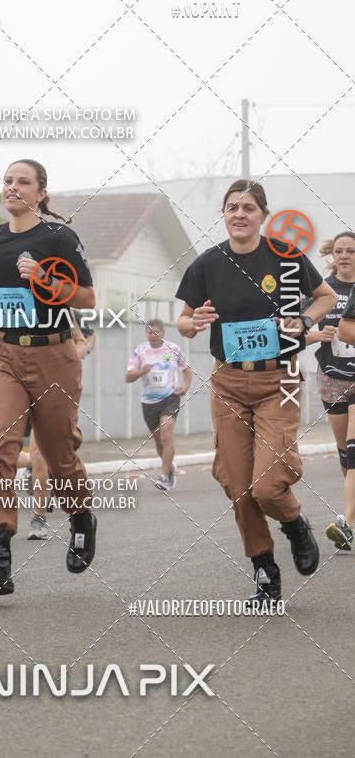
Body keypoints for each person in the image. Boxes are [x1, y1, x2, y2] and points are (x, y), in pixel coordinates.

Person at [175, 179, 337, 609]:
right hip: (228, 382)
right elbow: (183, 321)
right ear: (224, 215)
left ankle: (294, 522)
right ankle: (264, 569)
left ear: (263, 215)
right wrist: (195, 322)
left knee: (267, 486)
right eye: (232, 207)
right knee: (237, 484)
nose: (240, 214)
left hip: (278, 379)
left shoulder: (285, 256)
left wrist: (303, 321)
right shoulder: (207, 264)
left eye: (248, 207)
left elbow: (325, 297)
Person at [0, 159, 97, 596]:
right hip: (5, 353)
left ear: (41, 193)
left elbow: (87, 298)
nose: (13, 187)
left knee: (59, 455)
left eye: (23, 182)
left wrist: (43, 278)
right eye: (7, 181)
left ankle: (81, 517)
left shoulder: (58, 238)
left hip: (53, 353)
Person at [19, 310, 96, 540]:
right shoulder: (13, 303)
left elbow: (87, 339)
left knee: (40, 454)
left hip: (54, 389)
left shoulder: (64, 306)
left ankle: (39, 517)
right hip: (18, 383)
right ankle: (39, 471)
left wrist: (71, 356)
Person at [304, 232, 355, 549]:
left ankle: (348, 521)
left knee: (353, 447)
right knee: (344, 453)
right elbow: (295, 331)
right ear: (332, 255)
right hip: (332, 378)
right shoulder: (323, 291)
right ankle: (351, 513)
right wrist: (317, 335)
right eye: (339, 251)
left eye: (351, 251)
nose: (345, 256)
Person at [125, 319, 191, 491]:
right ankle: (169, 468)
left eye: (156, 332)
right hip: (149, 402)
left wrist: (185, 386)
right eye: (150, 333)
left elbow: (186, 369)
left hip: (170, 397)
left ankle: (164, 477)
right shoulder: (140, 351)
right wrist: (142, 370)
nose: (153, 336)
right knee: (159, 440)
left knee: (166, 435)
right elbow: (128, 377)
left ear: (163, 333)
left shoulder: (173, 349)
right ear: (146, 334)